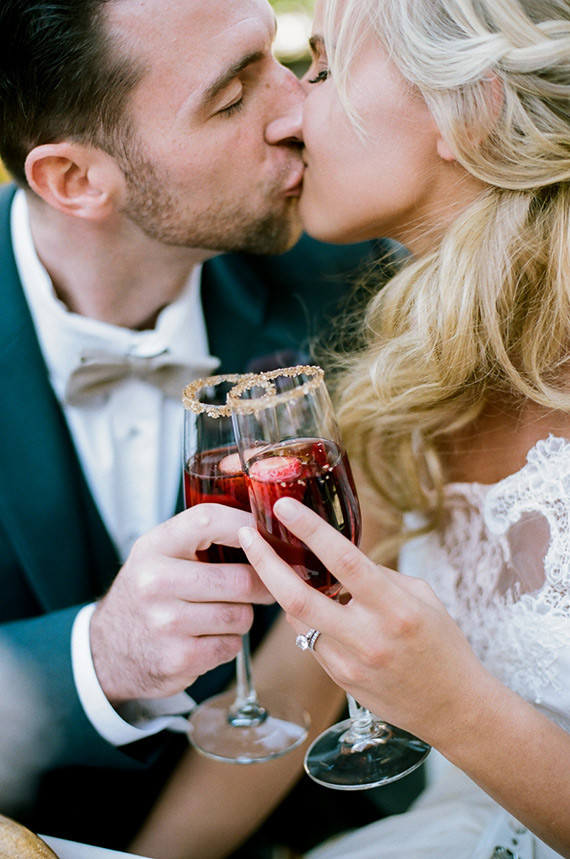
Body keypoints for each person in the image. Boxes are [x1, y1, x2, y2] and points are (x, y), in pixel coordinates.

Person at [0, 0, 421, 853]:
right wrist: (99, 658)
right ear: (76, 180)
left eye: (279, 58)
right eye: (231, 100)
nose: (296, 110)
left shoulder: (362, 276)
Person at [225, 0, 570, 857]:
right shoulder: (415, 381)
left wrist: (456, 708)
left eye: (325, 67)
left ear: (471, 108)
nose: (290, 113)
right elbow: (303, 667)